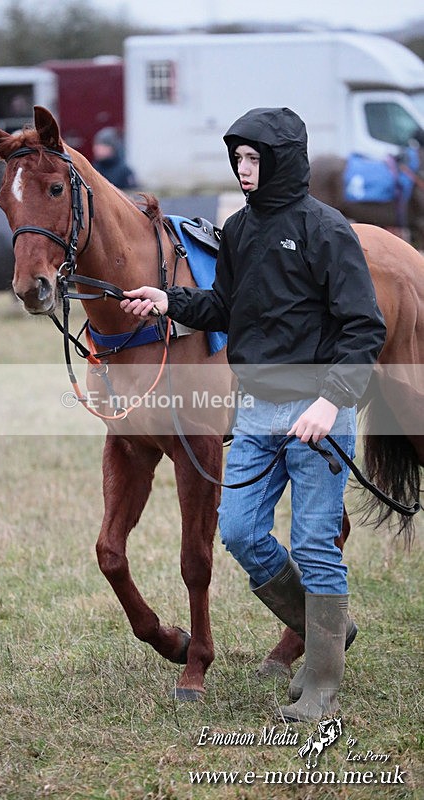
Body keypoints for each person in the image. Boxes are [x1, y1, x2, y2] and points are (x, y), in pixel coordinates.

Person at [120, 107, 387, 722]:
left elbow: (363, 327)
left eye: (252, 159)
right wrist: (169, 301)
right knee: (239, 531)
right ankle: (324, 626)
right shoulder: (237, 231)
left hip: (319, 413)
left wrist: (330, 401)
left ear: (281, 161)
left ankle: (320, 684)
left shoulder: (327, 230)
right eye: (237, 159)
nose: (243, 169)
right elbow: (224, 305)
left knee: (316, 544)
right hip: (255, 411)